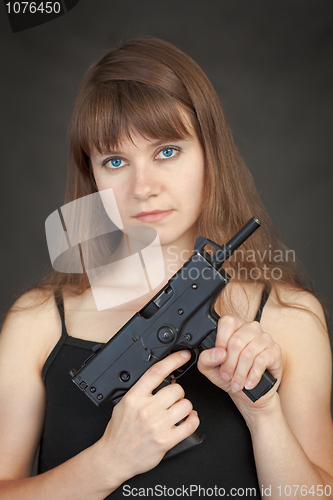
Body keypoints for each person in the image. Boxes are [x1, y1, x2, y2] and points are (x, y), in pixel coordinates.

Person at [0, 37, 332, 500]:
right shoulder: (36, 323)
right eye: (115, 161)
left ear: (209, 153)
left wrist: (264, 413)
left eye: (167, 152)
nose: (143, 187)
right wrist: (107, 462)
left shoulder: (291, 319)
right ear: (91, 175)